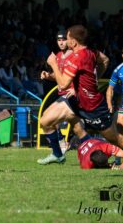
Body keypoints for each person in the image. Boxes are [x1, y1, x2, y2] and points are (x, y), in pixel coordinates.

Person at [46, 25, 123, 177]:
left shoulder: (81, 56)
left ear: (74, 41)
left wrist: (53, 64)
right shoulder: (92, 55)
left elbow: (63, 83)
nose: (65, 40)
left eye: (68, 37)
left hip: (94, 105)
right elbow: (105, 65)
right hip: (78, 100)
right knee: (46, 120)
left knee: (116, 138)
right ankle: (58, 154)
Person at [38, 30, 91, 165]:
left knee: (45, 120)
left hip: (71, 97)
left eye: (63, 40)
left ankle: (58, 152)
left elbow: (83, 75)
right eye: (58, 40)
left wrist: (76, 90)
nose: (61, 42)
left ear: (69, 41)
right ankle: (96, 152)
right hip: (63, 95)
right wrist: (48, 76)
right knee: (78, 129)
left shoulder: (75, 55)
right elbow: (60, 76)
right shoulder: (59, 56)